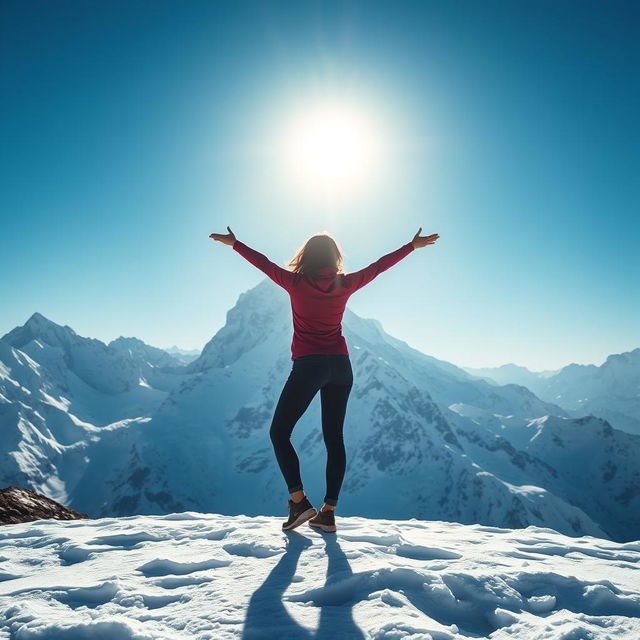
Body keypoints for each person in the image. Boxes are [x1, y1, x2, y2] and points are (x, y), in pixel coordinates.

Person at [210, 227, 439, 532]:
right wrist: (411, 246)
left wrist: (235, 244)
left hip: (309, 366)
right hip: (341, 367)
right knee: (335, 439)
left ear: (307, 256)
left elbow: (263, 263)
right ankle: (328, 512)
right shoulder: (344, 284)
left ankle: (299, 502)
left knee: (280, 433)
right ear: (334, 258)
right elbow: (378, 267)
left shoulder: (295, 283)